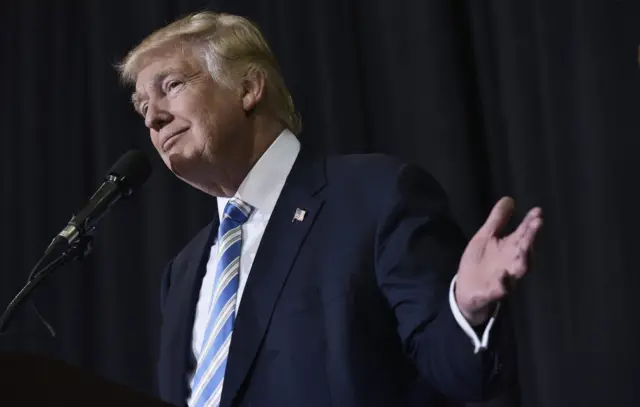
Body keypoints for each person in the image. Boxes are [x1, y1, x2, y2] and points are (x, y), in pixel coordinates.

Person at [117, 11, 543, 407]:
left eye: (171, 86)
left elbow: (458, 376)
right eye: (141, 107)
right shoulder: (182, 273)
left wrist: (467, 312)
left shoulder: (375, 196)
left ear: (248, 88)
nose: (153, 117)